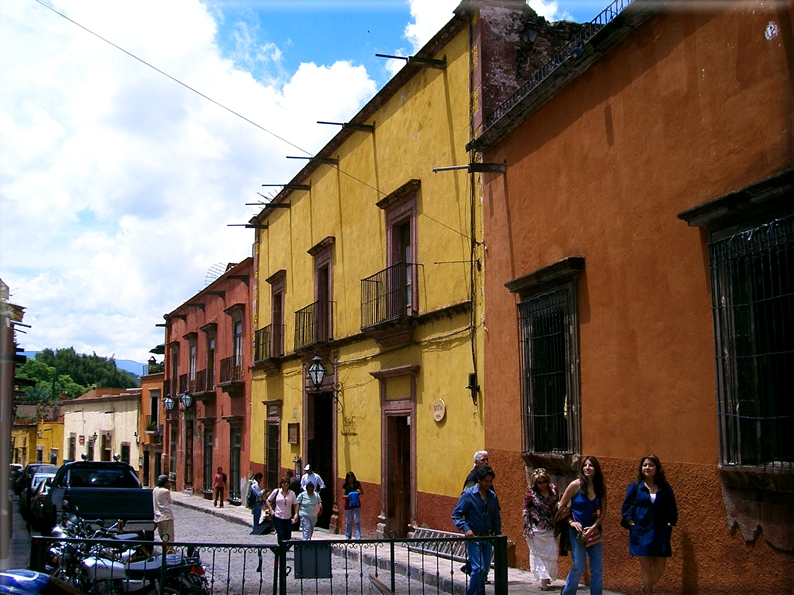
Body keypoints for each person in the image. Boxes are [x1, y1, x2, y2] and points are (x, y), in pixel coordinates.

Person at [621, 455, 678, 595]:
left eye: (651, 465)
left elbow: (671, 506)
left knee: (660, 565)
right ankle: (649, 593)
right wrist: (631, 522)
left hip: (660, 530)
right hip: (641, 530)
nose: (647, 468)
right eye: (645, 465)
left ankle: (646, 589)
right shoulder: (636, 487)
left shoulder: (665, 488)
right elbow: (626, 506)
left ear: (657, 468)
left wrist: (670, 523)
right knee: (645, 565)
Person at [558, 456, 607, 595]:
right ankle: (567, 593)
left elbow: (603, 513)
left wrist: (592, 528)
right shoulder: (575, 485)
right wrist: (572, 523)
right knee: (579, 566)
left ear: (596, 469)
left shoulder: (601, 488)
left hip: (594, 532)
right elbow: (561, 507)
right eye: (585, 465)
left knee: (597, 569)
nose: (587, 468)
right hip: (576, 532)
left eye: (591, 465)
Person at [452, 466, 501, 595]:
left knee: (484, 570)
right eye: (486, 481)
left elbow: (495, 516)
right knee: (477, 568)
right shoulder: (468, 495)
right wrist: (466, 529)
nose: (488, 484)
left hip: (487, 537)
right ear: (479, 480)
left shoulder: (492, 496)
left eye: (490, 481)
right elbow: (456, 515)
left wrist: (497, 533)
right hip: (474, 537)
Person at [523, 468, 559, 591]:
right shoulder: (530, 493)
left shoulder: (553, 490)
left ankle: (547, 577)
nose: (542, 484)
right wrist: (527, 527)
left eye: (544, 481)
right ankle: (543, 581)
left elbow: (556, 506)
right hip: (536, 528)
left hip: (550, 528)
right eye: (539, 482)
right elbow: (526, 510)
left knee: (552, 552)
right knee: (540, 556)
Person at [266, 477, 299, 545]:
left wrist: (296, 514)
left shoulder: (292, 493)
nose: (286, 484)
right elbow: (268, 501)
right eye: (284, 482)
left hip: (287, 518)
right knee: (281, 533)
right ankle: (281, 550)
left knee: (287, 536)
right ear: (281, 484)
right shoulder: (276, 491)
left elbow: (296, 504)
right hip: (278, 516)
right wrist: (271, 510)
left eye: (287, 483)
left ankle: (283, 549)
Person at [153, 475, 175, 546]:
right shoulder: (165, 491)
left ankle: (165, 553)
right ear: (165, 483)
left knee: (163, 538)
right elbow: (171, 501)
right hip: (166, 516)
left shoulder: (155, 490)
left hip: (158, 517)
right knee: (169, 539)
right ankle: (169, 554)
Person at [342, 471, 363, 540]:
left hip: (356, 504)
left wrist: (358, 492)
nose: (351, 480)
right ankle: (348, 535)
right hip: (348, 505)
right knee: (348, 520)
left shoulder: (357, 484)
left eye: (352, 478)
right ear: (347, 479)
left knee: (356, 520)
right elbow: (343, 496)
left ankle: (358, 536)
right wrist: (350, 495)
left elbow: (362, 492)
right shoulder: (345, 485)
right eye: (349, 478)